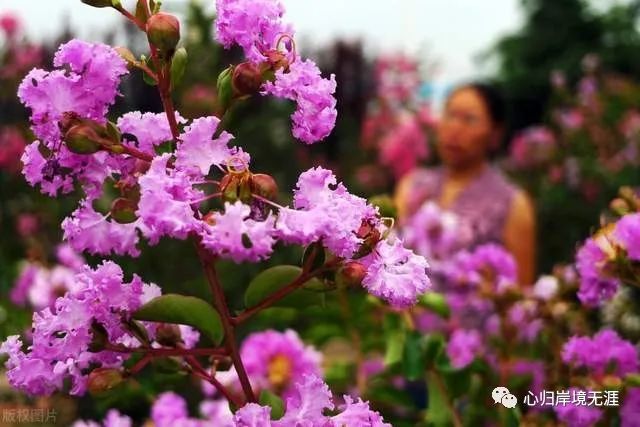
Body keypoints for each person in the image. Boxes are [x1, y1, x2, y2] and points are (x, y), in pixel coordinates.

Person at [395, 83, 536, 285]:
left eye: (469, 119)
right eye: (450, 115)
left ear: (495, 134)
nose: (454, 129)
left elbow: (520, 295)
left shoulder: (513, 204)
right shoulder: (411, 186)